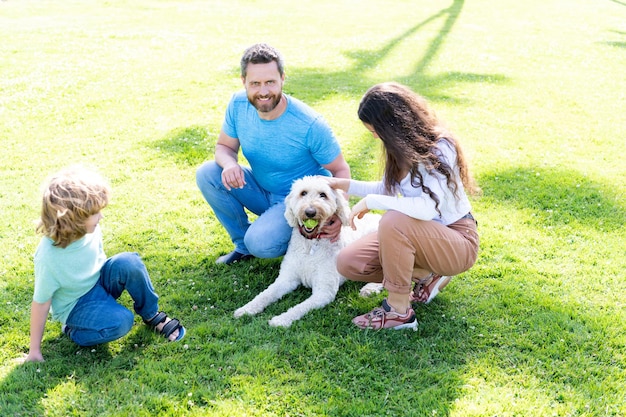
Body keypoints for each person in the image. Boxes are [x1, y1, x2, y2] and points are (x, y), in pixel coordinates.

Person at [322, 82, 480, 331]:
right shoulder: (400, 151)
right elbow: (388, 188)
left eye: (375, 130)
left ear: (392, 123)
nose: (375, 136)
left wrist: (371, 203)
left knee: (393, 221)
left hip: (457, 239)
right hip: (421, 236)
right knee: (349, 262)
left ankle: (399, 312)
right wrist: (342, 184)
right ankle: (426, 274)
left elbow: (427, 208)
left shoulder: (441, 147)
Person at [196, 43, 350, 265]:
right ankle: (242, 246)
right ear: (244, 82)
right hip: (259, 188)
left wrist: (337, 215)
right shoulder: (237, 105)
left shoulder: (309, 123)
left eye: (270, 82)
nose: (263, 91)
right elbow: (224, 147)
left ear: (282, 79)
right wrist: (230, 164)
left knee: (260, 243)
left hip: (300, 201)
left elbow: (340, 169)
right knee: (208, 173)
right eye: (255, 83)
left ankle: (293, 237)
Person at [24, 166, 185, 362]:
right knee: (121, 321)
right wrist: (34, 351)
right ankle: (73, 330)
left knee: (129, 262)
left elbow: (98, 261)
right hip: (77, 305)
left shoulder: (90, 229)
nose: (102, 216)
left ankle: (151, 315)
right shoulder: (49, 257)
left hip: (100, 281)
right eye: (96, 212)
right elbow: (41, 302)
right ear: (74, 218)